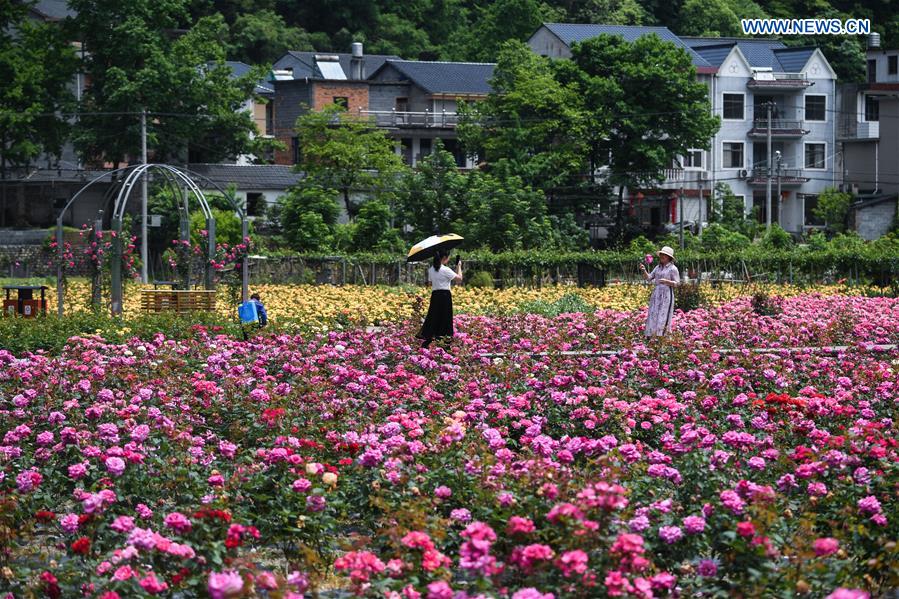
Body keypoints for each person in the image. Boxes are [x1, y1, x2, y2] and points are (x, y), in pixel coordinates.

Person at [417, 250, 462, 348]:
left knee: (434, 317)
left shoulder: (431, 269)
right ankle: (445, 342)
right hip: (445, 295)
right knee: (445, 318)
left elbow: (429, 283)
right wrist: (459, 266)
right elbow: (459, 279)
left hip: (435, 295)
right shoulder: (446, 269)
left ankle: (428, 340)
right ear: (445, 258)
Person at [639, 246, 680, 337]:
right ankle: (651, 334)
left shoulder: (673, 269)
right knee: (654, 312)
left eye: (664, 255)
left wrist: (667, 282)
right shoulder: (657, 267)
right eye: (661, 255)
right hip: (657, 293)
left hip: (666, 293)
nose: (662, 256)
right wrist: (644, 270)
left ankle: (662, 336)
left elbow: (677, 283)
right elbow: (649, 278)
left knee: (663, 313)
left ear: (669, 257)